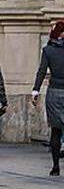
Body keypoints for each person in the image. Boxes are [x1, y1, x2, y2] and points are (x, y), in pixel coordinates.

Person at [33, 20, 64, 176]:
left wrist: (35, 91)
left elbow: (42, 71)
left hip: (54, 92)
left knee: (56, 130)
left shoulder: (48, 50)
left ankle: (55, 166)